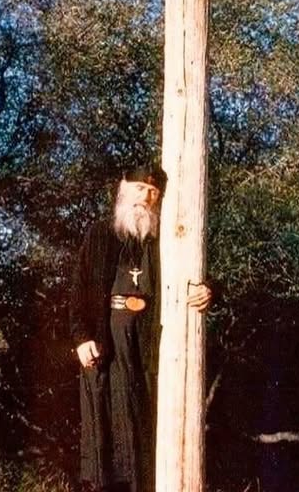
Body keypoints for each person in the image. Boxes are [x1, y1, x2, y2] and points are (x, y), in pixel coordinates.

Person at [70, 164, 212, 492]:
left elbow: (196, 275)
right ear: (123, 189)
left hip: (149, 346)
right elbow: (78, 290)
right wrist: (81, 337)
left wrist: (208, 288)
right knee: (106, 436)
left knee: (147, 435)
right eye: (139, 189)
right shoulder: (100, 234)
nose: (146, 198)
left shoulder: (166, 241)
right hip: (106, 344)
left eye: (153, 192)